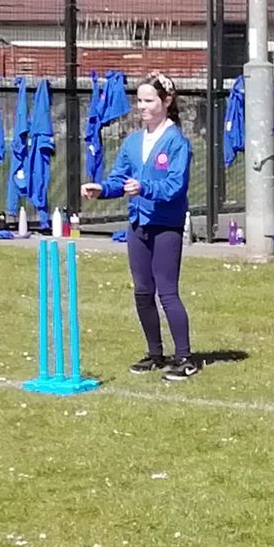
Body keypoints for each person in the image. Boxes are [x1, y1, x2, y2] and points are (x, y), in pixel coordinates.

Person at [81, 73, 198, 382]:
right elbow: (121, 177)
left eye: (149, 100)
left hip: (166, 225)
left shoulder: (177, 142)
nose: (141, 106)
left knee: (167, 292)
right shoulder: (133, 142)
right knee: (142, 291)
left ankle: (185, 357)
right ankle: (155, 353)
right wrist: (102, 189)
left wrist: (143, 186)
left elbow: (174, 186)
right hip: (138, 224)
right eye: (140, 100)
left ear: (167, 102)